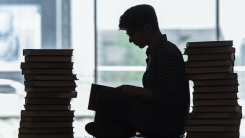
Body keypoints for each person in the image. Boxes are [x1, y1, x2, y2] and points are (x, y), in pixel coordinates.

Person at [85, 4, 190, 138]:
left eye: (132, 33)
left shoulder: (166, 54)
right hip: (157, 116)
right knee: (101, 93)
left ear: (147, 28)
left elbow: (174, 97)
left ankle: (119, 129)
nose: (130, 39)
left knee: (104, 96)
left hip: (165, 124)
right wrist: (135, 94)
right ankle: (118, 129)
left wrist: (137, 91)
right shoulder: (156, 52)